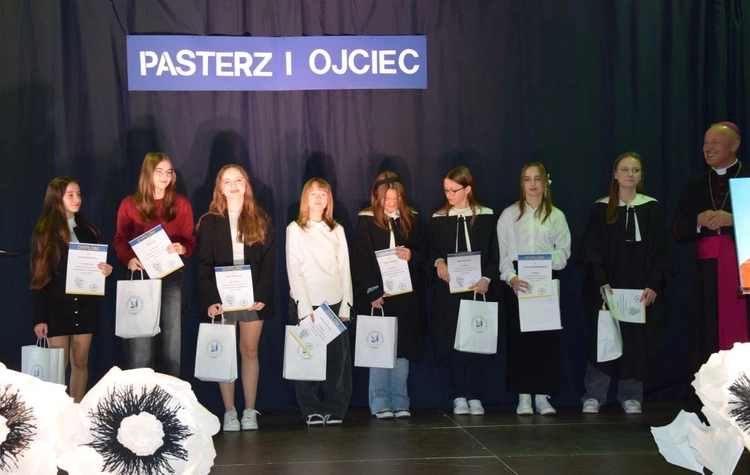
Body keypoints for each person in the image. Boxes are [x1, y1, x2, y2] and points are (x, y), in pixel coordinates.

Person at [577, 152, 675, 414]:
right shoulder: (601, 208)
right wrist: (601, 282)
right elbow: (593, 249)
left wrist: (654, 284)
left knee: (636, 340)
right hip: (608, 288)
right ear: (615, 174)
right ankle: (594, 395)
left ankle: (631, 395)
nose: (630, 174)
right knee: (603, 338)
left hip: (641, 289)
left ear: (641, 176)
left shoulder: (651, 207)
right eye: (625, 169)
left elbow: (661, 251)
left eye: (635, 170)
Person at [672, 122, 750, 398]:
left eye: (715, 142)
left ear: (734, 145)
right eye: (706, 142)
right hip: (705, 275)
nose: (708, 148)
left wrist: (734, 219)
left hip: (744, 273)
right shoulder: (695, 183)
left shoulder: (747, 179)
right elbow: (676, 229)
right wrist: (697, 221)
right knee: (705, 334)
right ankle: (707, 399)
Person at [197, 165, 275, 432]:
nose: (233, 186)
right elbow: (204, 264)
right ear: (220, 187)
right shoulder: (209, 221)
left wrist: (262, 294)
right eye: (227, 181)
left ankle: (250, 411)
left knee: (250, 350)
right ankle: (230, 411)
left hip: (253, 296)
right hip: (223, 296)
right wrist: (210, 299)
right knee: (226, 352)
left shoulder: (261, 218)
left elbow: (269, 262)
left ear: (246, 185)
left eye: (238, 180)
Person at [497, 163, 571, 416]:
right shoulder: (509, 215)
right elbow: (503, 255)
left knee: (545, 340)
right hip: (518, 282)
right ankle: (523, 396)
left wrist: (545, 262)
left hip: (546, 280)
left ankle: (542, 395)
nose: (532, 184)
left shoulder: (556, 216)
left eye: (537, 179)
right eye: (527, 179)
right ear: (521, 183)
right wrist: (512, 278)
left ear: (545, 183)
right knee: (520, 341)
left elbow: (563, 252)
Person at [31, 176, 113, 402]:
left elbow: (95, 268)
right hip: (57, 307)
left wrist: (104, 271)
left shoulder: (88, 231)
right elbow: (40, 277)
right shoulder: (45, 232)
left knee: (80, 361)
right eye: (70, 195)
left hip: (85, 305)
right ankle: (57, 412)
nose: (77, 199)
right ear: (57, 199)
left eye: (78, 194)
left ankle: (76, 409)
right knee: (58, 365)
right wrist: (40, 318)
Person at [113, 152, 195, 377]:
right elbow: (120, 239)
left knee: (171, 348)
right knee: (140, 349)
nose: (165, 176)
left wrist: (182, 248)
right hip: (140, 279)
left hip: (171, 279)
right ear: (148, 173)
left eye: (169, 172)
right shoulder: (130, 204)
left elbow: (189, 239)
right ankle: (141, 397)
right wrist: (128, 259)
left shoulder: (181, 203)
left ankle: (168, 397)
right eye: (159, 171)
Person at [354, 171, 427, 420]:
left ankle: (400, 400)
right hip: (379, 296)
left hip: (406, 296)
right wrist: (372, 291)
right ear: (378, 197)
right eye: (387, 198)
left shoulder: (411, 219)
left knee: (402, 349)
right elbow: (361, 258)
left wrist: (412, 255)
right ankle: (380, 402)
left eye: (396, 198)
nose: (392, 203)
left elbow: (424, 252)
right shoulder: (366, 220)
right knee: (379, 347)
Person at [429, 166, 500, 416]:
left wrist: (487, 278)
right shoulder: (439, 217)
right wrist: (438, 262)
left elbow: (495, 252)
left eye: (454, 190)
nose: (449, 195)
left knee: (476, 341)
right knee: (453, 343)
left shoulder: (486, 216)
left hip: (477, 288)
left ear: (468, 189)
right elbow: (432, 250)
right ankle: (458, 395)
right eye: (446, 190)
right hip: (449, 290)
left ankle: (475, 394)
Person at [286, 178, 353, 426]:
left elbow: (344, 269)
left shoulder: (337, 230)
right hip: (307, 303)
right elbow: (294, 269)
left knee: (338, 361)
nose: (318, 199)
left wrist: (346, 304)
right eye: (313, 194)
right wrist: (304, 309)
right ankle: (311, 408)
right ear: (305, 198)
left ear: (329, 200)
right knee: (307, 360)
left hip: (334, 302)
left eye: (323, 194)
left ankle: (335, 408)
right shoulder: (295, 229)